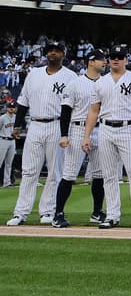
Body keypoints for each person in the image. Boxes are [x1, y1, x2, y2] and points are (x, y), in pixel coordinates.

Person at [81, 45, 131, 228]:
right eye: (113, 56)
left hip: (128, 127)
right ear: (108, 59)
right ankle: (112, 215)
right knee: (109, 175)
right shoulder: (100, 82)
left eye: (120, 57)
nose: (116, 59)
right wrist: (86, 136)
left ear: (126, 59)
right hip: (105, 128)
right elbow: (93, 110)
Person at [7, 42, 79, 226]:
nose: (52, 54)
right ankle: (20, 212)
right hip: (35, 124)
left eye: (57, 51)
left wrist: (65, 133)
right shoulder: (34, 73)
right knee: (29, 171)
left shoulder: (71, 76)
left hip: (56, 124)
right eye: (50, 51)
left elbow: (69, 107)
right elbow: (23, 101)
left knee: (54, 171)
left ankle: (47, 211)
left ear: (64, 54)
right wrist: (17, 125)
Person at [52, 49, 107, 228]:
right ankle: (58, 213)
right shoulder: (75, 83)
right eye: (101, 60)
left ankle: (97, 212)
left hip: (101, 130)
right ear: (91, 62)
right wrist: (63, 135)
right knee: (69, 174)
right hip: (77, 129)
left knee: (99, 175)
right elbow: (65, 110)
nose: (104, 62)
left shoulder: (107, 83)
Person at [0, 103, 16, 188]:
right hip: (3, 140)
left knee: (9, 163)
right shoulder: (2, 118)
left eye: (13, 107)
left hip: (12, 141)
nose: (11, 109)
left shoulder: (16, 117)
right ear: (7, 108)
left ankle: (7, 182)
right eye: (10, 107)